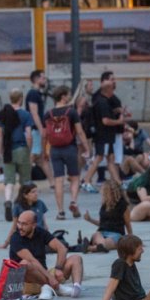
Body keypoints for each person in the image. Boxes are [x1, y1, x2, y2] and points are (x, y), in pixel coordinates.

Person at [10, 209, 83, 299]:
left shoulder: (40, 232)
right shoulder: (15, 238)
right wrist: (51, 278)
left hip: (43, 274)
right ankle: (56, 288)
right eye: (19, 223)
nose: (20, 227)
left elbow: (62, 248)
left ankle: (76, 289)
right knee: (25, 264)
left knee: (76, 258)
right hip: (27, 282)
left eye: (24, 224)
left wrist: (58, 268)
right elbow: (32, 260)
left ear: (34, 225)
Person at [43, 85, 89, 223]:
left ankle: (60, 211)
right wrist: (86, 147)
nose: (69, 97)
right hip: (69, 148)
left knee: (58, 180)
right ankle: (74, 202)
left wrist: (44, 150)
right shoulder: (71, 112)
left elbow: (45, 134)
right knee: (74, 177)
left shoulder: (48, 114)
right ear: (63, 96)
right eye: (68, 95)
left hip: (55, 149)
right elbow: (79, 132)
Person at [91, 71, 127, 185]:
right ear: (104, 82)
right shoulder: (101, 99)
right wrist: (119, 118)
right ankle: (89, 179)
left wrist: (119, 112)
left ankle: (117, 181)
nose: (114, 81)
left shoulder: (109, 98)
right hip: (107, 132)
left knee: (111, 158)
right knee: (102, 157)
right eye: (111, 79)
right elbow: (105, 119)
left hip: (112, 132)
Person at [83, 179, 131, 252]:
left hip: (116, 233)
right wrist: (90, 219)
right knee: (97, 235)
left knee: (108, 241)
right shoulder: (104, 205)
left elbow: (128, 224)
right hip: (102, 232)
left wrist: (132, 240)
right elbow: (103, 224)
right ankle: (99, 247)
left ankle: (91, 248)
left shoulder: (123, 205)